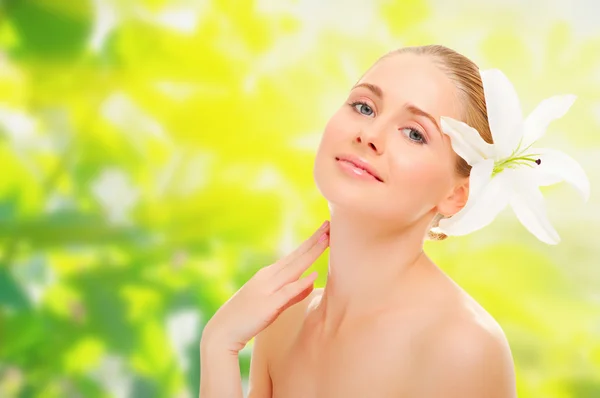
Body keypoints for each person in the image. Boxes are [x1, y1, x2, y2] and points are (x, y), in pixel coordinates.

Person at [199, 44, 587, 398]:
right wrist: (218, 345)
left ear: (456, 195)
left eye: (414, 134)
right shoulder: (282, 323)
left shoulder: (461, 348)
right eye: (364, 107)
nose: (370, 135)